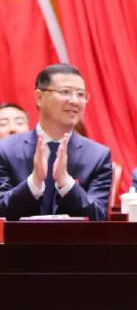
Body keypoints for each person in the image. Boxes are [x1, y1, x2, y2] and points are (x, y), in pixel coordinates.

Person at [0, 64, 112, 221]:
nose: (75, 101)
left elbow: (99, 218)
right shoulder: (5, 150)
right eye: (65, 92)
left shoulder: (98, 156)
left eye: (81, 94)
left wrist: (66, 183)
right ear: (39, 97)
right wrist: (33, 182)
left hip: (74, 238)